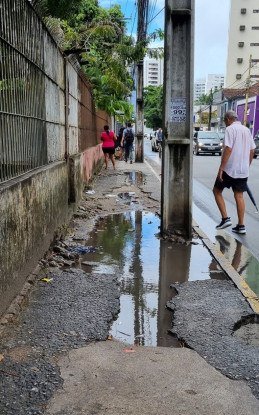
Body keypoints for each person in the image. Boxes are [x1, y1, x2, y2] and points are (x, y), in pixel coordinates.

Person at [213, 110, 255, 234]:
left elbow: (228, 148)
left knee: (216, 191)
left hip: (229, 169)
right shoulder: (247, 130)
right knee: (239, 195)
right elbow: (252, 150)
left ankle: (225, 218)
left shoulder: (230, 129)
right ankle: (241, 226)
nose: (225, 123)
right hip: (243, 169)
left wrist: (221, 168)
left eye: (225, 121)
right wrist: (247, 165)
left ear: (228, 119)